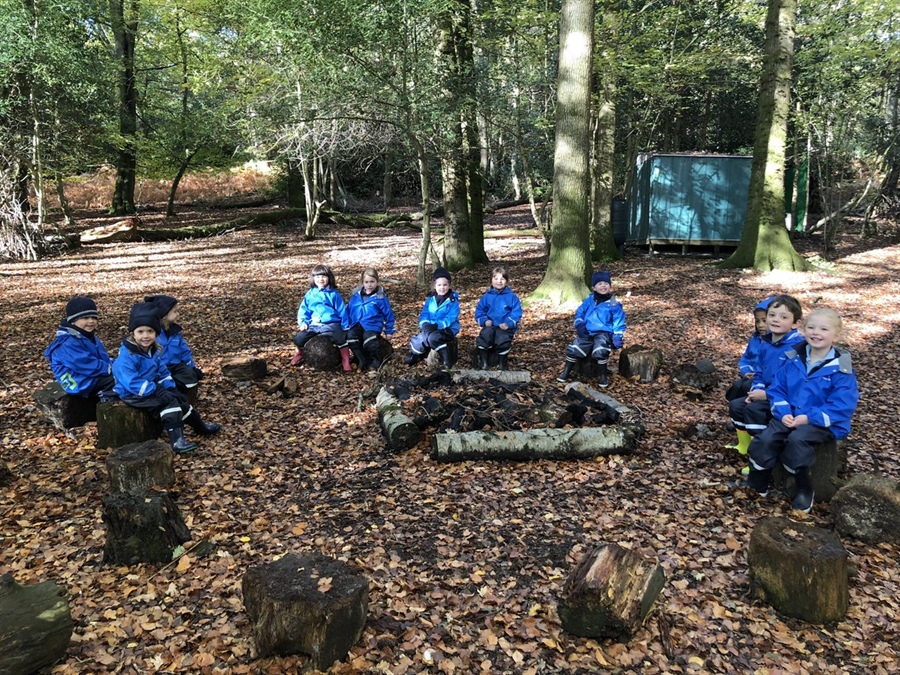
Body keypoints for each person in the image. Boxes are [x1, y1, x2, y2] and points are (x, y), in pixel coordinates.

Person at [742, 308, 859, 512]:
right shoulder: (794, 357)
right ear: (803, 329)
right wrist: (783, 411)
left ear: (836, 335)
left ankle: (804, 486)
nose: (816, 333)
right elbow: (777, 389)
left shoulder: (841, 368)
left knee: (797, 440)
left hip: (821, 422)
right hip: (789, 415)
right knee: (766, 439)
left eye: (824, 329)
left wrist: (808, 417)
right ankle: (757, 480)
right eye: (811, 327)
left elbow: (843, 405)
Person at [113, 302, 220, 455]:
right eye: (140, 331)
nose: (145, 336)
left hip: (150, 388)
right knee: (169, 404)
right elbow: (131, 382)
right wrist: (157, 391)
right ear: (133, 334)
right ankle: (177, 441)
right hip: (133, 394)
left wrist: (170, 387)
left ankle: (200, 426)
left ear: (156, 333)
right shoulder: (127, 357)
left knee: (180, 399)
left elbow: (162, 372)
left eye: (150, 331)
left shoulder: (153, 351)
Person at [728, 294, 805, 455]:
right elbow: (760, 372)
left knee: (754, 410)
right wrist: (755, 390)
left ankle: (759, 455)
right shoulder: (766, 343)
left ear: (796, 323)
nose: (776, 320)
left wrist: (766, 395)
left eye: (783, 317)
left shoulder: (797, 348)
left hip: (786, 400)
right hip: (768, 393)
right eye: (772, 315)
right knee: (737, 406)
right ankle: (744, 447)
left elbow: (795, 384)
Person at [556, 271, 626, 388]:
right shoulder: (589, 300)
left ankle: (603, 376)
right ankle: (566, 372)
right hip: (587, 331)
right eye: (599, 284)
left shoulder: (613, 303)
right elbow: (579, 313)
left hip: (604, 332)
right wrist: (579, 325)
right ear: (594, 287)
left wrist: (617, 336)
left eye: (605, 283)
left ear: (609, 286)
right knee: (574, 348)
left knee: (600, 351)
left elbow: (618, 319)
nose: (603, 286)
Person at [44, 296, 115, 399]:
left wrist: (115, 364)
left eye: (94, 317)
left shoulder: (88, 337)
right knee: (118, 379)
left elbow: (102, 357)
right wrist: (109, 368)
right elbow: (84, 364)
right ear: (73, 321)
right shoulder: (66, 343)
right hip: (80, 382)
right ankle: (105, 397)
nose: (91, 321)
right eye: (85, 318)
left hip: (91, 375)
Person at [291, 264, 351, 372]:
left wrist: (345, 325)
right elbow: (304, 309)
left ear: (329, 278)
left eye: (324, 276)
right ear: (313, 279)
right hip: (314, 324)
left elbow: (342, 310)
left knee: (340, 338)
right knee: (299, 338)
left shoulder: (333, 294)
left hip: (331, 323)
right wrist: (303, 322)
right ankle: (299, 353)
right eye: (317, 277)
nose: (321, 279)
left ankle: (345, 360)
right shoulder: (310, 294)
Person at [144, 294, 203, 395]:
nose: (178, 314)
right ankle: (170, 388)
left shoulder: (175, 332)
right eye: (175, 311)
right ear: (164, 313)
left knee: (190, 375)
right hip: (159, 369)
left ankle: (179, 389)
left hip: (176, 366)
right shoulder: (153, 334)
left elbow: (185, 351)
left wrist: (192, 367)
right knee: (161, 380)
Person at [404, 267, 460, 368]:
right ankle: (416, 355)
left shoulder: (453, 301)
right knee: (420, 338)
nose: (442, 288)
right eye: (439, 285)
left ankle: (446, 359)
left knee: (433, 338)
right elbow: (425, 313)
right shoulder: (430, 300)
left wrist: (437, 325)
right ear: (434, 286)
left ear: (449, 285)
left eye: (445, 285)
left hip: (448, 328)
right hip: (431, 327)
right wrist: (425, 324)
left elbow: (451, 318)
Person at [345, 267, 395, 371]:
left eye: (372, 282)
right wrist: (346, 324)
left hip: (372, 325)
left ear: (377, 281)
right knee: (351, 336)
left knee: (369, 339)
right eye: (366, 282)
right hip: (356, 324)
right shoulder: (356, 296)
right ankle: (360, 359)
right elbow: (349, 310)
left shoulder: (380, 298)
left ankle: (375, 360)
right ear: (362, 282)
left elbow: (388, 314)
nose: (369, 285)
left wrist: (389, 330)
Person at [725, 297, 774, 402]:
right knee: (736, 387)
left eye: (764, 321)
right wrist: (746, 371)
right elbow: (745, 359)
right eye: (757, 321)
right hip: (753, 376)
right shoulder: (755, 340)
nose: (760, 325)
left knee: (746, 387)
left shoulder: (776, 343)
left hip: (765, 382)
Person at [474, 266, 523, 371]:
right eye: (496, 279)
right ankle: (484, 362)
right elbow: (479, 311)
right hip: (490, 325)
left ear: (507, 281)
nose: (499, 281)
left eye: (502, 279)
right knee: (485, 336)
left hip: (504, 327)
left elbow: (516, 313)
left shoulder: (512, 297)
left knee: (502, 339)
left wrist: (508, 323)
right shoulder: (487, 296)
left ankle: (502, 363)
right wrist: (484, 320)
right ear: (491, 280)